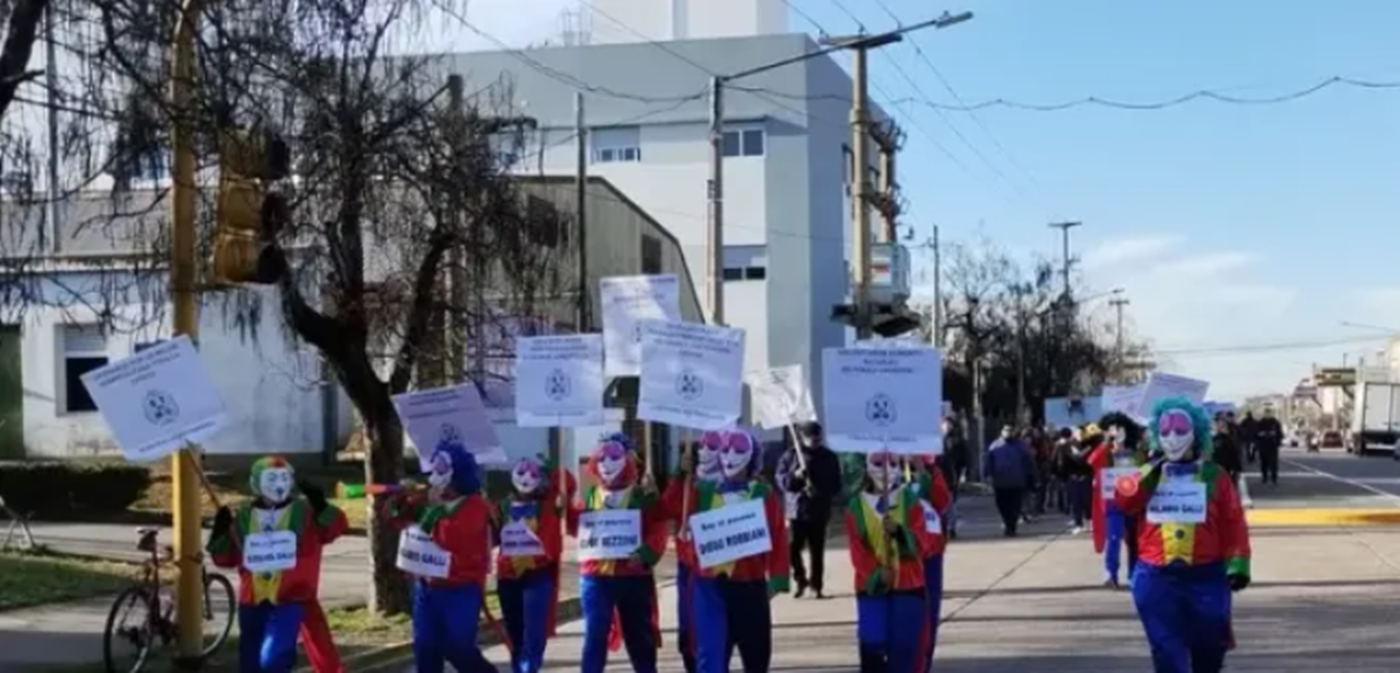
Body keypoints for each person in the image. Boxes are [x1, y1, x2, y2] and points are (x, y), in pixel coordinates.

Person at [1115, 397, 1252, 673]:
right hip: (1156, 576)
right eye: (1165, 430)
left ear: (1195, 433)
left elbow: (1233, 522)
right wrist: (1148, 473)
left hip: (1206, 576)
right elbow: (1124, 500)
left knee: (1210, 647)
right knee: (1166, 650)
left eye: (1180, 429)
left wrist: (1238, 563)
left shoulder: (1215, 476)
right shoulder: (1149, 473)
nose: (1173, 437)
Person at [207, 456, 348, 673]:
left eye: (284, 478)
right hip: (253, 600)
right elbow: (225, 559)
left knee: (273, 660)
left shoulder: (305, 513)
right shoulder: (243, 517)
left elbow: (334, 529)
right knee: (251, 665)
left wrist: (321, 506)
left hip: (292, 598)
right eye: (271, 478)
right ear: (256, 483)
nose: (279, 484)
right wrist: (220, 531)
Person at [379, 441, 497, 673]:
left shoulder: (476, 506)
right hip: (427, 586)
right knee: (425, 648)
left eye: (441, 468)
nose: (435, 474)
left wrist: (434, 507)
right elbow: (396, 519)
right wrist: (401, 499)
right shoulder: (429, 500)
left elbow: (451, 538)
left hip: (461, 588)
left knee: (458, 648)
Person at [679, 428, 789, 673]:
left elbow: (778, 536)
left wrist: (777, 578)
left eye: (739, 450)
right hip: (712, 588)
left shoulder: (762, 494)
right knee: (713, 658)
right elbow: (672, 509)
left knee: (756, 656)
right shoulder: (703, 491)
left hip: (750, 586)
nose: (730, 455)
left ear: (751, 457)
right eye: (726, 449)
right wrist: (680, 475)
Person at [569, 434, 668, 673]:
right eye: (602, 457)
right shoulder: (591, 495)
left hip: (633, 576)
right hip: (596, 576)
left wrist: (646, 553)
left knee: (639, 637)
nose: (607, 463)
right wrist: (563, 510)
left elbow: (658, 527)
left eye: (614, 456)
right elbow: (578, 527)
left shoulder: (642, 495)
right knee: (595, 634)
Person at [845, 452, 934, 672]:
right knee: (872, 647)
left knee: (904, 648)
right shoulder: (855, 506)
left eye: (892, 463)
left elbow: (923, 542)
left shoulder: (910, 500)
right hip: (871, 589)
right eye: (878, 462)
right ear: (867, 466)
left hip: (908, 586)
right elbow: (857, 551)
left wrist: (899, 532)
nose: (886, 469)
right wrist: (876, 574)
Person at [494, 455, 574, 673]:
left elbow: (568, 482)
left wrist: (552, 469)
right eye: (521, 472)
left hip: (537, 574)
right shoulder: (502, 506)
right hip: (508, 575)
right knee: (515, 634)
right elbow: (490, 536)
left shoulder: (548, 505)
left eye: (533, 474)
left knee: (534, 632)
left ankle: (530, 668)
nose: (526, 478)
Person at [662, 432, 725, 673]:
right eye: (704, 447)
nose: (707, 452)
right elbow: (666, 507)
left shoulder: (730, 485)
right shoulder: (688, 482)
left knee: (717, 633)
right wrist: (679, 476)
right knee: (688, 629)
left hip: (721, 568)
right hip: (689, 566)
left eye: (714, 447)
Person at [775, 421, 843, 599]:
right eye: (811, 439)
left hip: (819, 511)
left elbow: (836, 485)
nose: (814, 442)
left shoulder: (829, 457)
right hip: (796, 511)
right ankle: (800, 579)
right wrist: (795, 476)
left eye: (817, 439)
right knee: (792, 549)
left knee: (816, 551)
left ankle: (816, 586)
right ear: (802, 438)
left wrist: (818, 489)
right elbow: (781, 481)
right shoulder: (790, 456)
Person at [1088, 413, 1148, 589]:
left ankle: (1133, 574)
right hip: (1113, 502)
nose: (1117, 432)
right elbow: (1093, 461)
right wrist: (1107, 442)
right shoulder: (1106, 451)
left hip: (1133, 502)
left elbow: (1144, 471)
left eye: (1120, 428)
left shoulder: (1137, 452)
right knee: (1113, 537)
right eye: (1112, 429)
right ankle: (1110, 573)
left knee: (1133, 540)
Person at [908, 454, 953, 671]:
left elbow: (943, 501)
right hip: (901, 553)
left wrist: (922, 473)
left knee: (928, 609)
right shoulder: (884, 468)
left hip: (930, 551)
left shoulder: (932, 470)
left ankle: (923, 662)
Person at [983, 425, 1036, 536]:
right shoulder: (995, 446)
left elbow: (1029, 462)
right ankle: (1007, 521)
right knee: (1001, 504)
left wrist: (1032, 476)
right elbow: (989, 462)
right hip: (1000, 482)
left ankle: (1011, 526)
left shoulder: (1021, 446)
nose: (1008, 433)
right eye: (1006, 430)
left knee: (1015, 505)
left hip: (1017, 481)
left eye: (1010, 431)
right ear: (1001, 432)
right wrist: (988, 475)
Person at [1255, 408, 1284, 486]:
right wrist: (1261, 434)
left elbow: (1280, 434)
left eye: (1269, 413)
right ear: (1264, 414)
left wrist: (1275, 435)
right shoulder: (1260, 423)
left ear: (1271, 414)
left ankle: (1274, 478)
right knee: (1264, 462)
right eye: (1266, 413)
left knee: (1273, 463)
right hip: (1263, 445)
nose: (1267, 415)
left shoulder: (1275, 422)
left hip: (1273, 446)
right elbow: (1256, 434)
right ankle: (1264, 477)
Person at [1212, 415, 1244, 485]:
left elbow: (1235, 453)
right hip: (1217, 468)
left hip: (1227, 468)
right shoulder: (1215, 438)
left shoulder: (1230, 438)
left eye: (1220, 423)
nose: (1217, 425)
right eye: (1217, 423)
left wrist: (1237, 469)